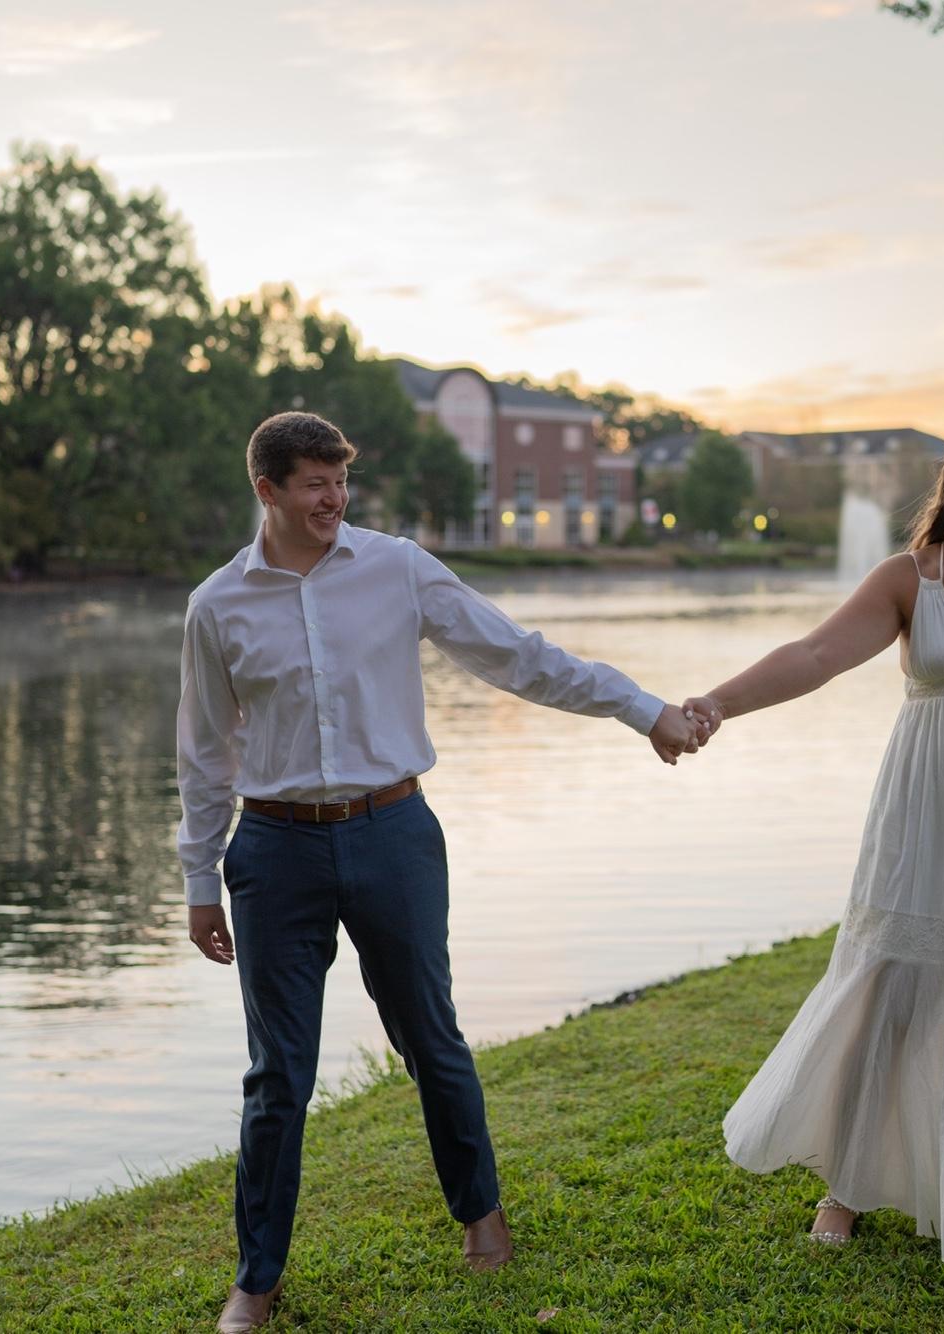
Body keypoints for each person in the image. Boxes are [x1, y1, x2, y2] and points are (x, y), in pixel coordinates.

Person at [177, 411, 700, 1333]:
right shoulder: (217, 604)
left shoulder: (398, 567)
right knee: (278, 1076)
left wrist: (640, 707)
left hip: (394, 834)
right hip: (275, 850)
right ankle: (257, 1278)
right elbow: (204, 753)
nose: (335, 499)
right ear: (267, 490)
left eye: (341, 480)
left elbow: (519, 658)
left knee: (431, 1037)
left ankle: (482, 1215)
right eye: (315, 484)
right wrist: (199, 881)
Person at [686, 420, 944, 1265]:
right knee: (893, 988)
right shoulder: (908, 578)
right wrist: (717, 703)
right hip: (927, 812)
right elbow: (815, 654)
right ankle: (845, 1186)